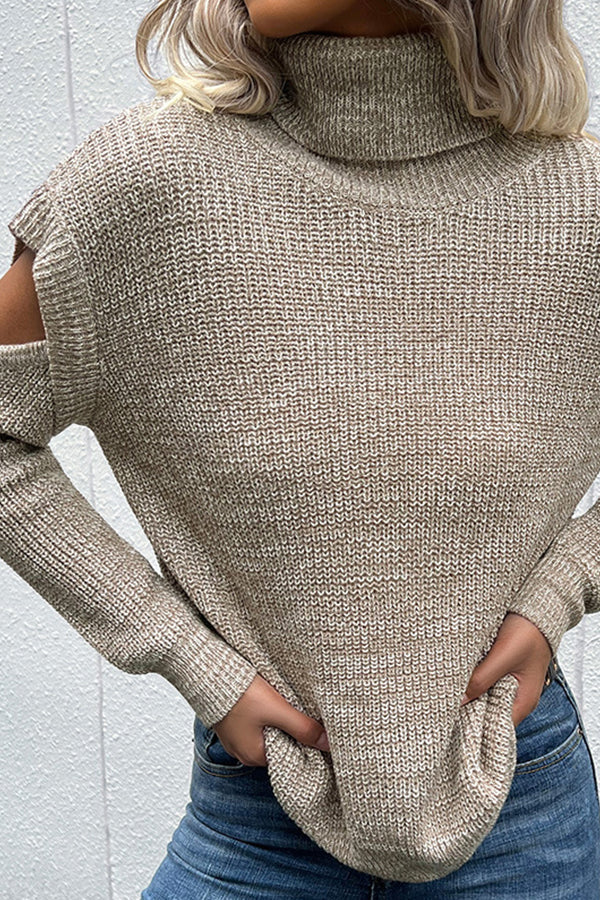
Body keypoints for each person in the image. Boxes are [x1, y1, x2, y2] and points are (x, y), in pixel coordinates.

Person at [2, 0, 600, 895]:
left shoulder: (581, 204)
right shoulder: (143, 186)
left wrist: (562, 588)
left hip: (522, 808)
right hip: (257, 820)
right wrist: (189, 658)